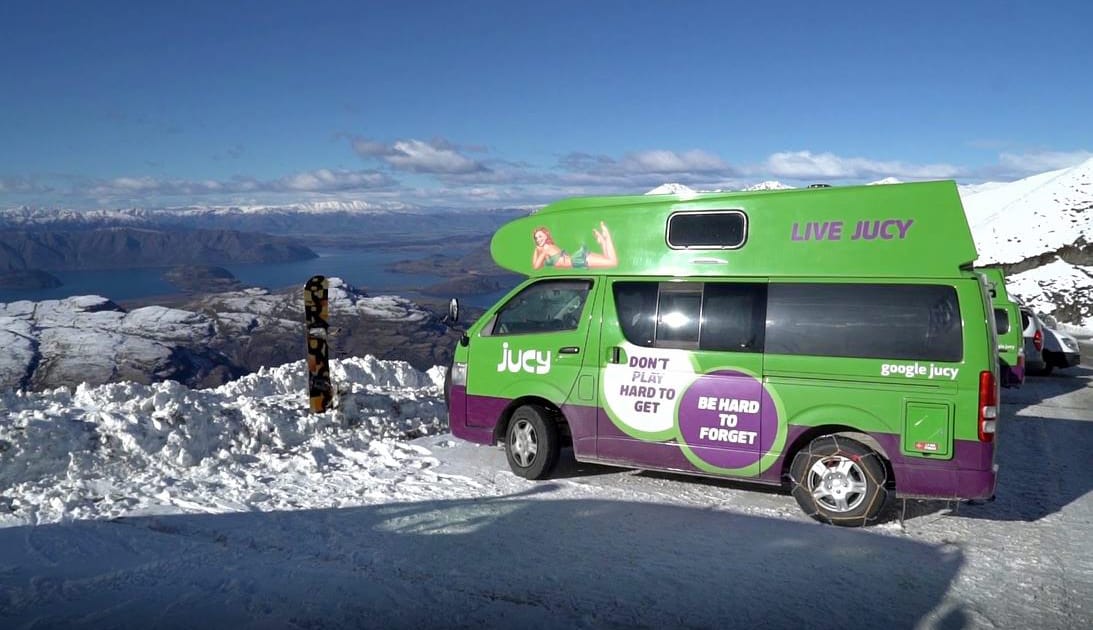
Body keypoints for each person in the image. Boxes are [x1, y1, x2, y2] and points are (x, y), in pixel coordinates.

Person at [531, 222, 617, 270]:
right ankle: (602, 240)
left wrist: (538, 251)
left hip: (577, 261)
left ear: (546, 235)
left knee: (612, 262)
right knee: (607, 259)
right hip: (576, 260)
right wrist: (537, 250)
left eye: (540, 236)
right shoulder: (549, 246)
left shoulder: (546, 248)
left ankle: (606, 236)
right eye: (536, 238)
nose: (538, 240)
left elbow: (536, 267)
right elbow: (539, 265)